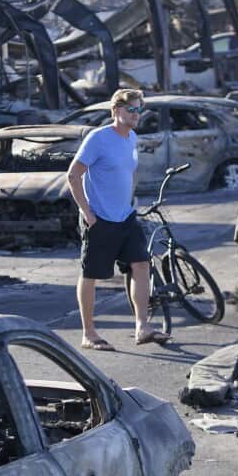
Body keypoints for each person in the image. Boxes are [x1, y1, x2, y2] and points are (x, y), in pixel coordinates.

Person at [67, 88, 169, 351]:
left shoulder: (132, 138)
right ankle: (88, 334)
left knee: (141, 265)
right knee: (91, 274)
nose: (135, 115)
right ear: (116, 110)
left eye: (138, 110)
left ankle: (142, 327)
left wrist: (131, 200)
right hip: (99, 219)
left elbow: (129, 173)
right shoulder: (98, 138)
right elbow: (73, 175)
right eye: (130, 109)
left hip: (125, 216)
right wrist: (87, 212)